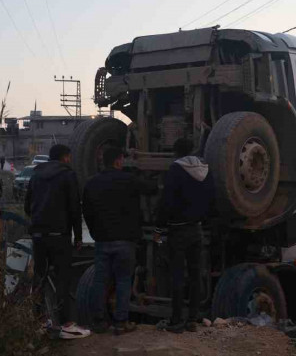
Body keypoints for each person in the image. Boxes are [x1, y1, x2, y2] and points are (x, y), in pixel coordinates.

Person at [83, 147, 158, 335]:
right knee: (124, 280)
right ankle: (120, 322)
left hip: (102, 240)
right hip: (125, 241)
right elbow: (151, 189)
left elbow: (87, 211)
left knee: (100, 280)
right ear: (118, 161)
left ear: (103, 161)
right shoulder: (128, 180)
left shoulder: (92, 183)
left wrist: (94, 232)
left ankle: (99, 322)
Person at [23, 144, 90, 339]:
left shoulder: (36, 175)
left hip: (38, 236)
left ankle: (39, 321)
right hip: (59, 237)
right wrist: (77, 236)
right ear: (65, 157)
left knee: (40, 278)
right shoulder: (67, 175)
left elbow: (27, 205)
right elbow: (74, 210)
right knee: (63, 279)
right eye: (68, 157)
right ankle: (66, 324)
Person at [154, 138, 215, 334]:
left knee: (178, 275)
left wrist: (158, 228)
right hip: (197, 229)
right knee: (196, 274)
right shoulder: (205, 169)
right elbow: (212, 197)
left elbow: (167, 200)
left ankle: (176, 320)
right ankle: (192, 319)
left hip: (178, 230)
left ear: (176, 153)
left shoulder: (175, 170)